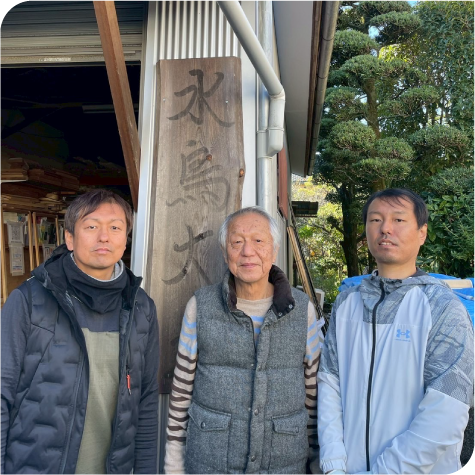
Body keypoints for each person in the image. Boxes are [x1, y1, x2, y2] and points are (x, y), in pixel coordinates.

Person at [0, 189, 159, 474]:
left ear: (125, 239)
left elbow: (146, 401)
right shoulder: (29, 300)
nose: (104, 237)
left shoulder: (141, 307)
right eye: (92, 226)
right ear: (70, 238)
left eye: (115, 227)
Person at [317, 188, 475, 475]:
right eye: (375, 220)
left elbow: (447, 411)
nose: (385, 228)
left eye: (398, 220)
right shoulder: (347, 302)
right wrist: (333, 464)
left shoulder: (442, 307)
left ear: (422, 233)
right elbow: (330, 383)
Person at [164, 206, 325, 474]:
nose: (247, 251)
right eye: (237, 242)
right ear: (225, 251)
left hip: (284, 465)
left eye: (258, 241)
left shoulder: (302, 309)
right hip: (210, 464)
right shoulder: (200, 306)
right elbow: (181, 392)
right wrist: (173, 465)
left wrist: (317, 461)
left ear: (274, 250)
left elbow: (313, 394)